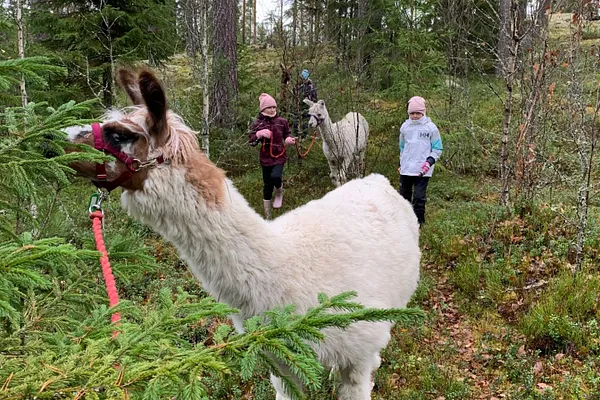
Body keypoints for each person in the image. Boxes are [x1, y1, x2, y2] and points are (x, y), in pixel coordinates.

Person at [249, 93, 296, 218]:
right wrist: (259, 134)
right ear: (263, 109)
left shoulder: (282, 121)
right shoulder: (258, 123)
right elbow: (251, 141)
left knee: (276, 177)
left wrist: (288, 140)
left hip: (279, 156)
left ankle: (279, 191)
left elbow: (287, 134)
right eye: (269, 107)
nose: (272, 110)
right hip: (265, 158)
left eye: (274, 107)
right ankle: (267, 214)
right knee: (267, 185)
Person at [398, 96, 443, 226]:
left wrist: (429, 162)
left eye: (418, 113)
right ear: (409, 113)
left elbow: (437, 148)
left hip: (423, 170)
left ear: (423, 112)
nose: (415, 116)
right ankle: (404, 223)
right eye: (412, 113)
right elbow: (402, 147)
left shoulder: (431, 128)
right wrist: (400, 163)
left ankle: (419, 223)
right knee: (403, 197)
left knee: (418, 197)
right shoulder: (405, 127)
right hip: (406, 169)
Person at [293, 69, 318, 138]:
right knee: (295, 120)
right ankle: (295, 136)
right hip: (298, 106)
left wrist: (309, 101)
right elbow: (294, 94)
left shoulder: (311, 87)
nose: (302, 79)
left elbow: (315, 98)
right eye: (301, 78)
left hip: (307, 107)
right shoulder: (297, 86)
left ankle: (304, 137)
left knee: (305, 122)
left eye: (303, 78)